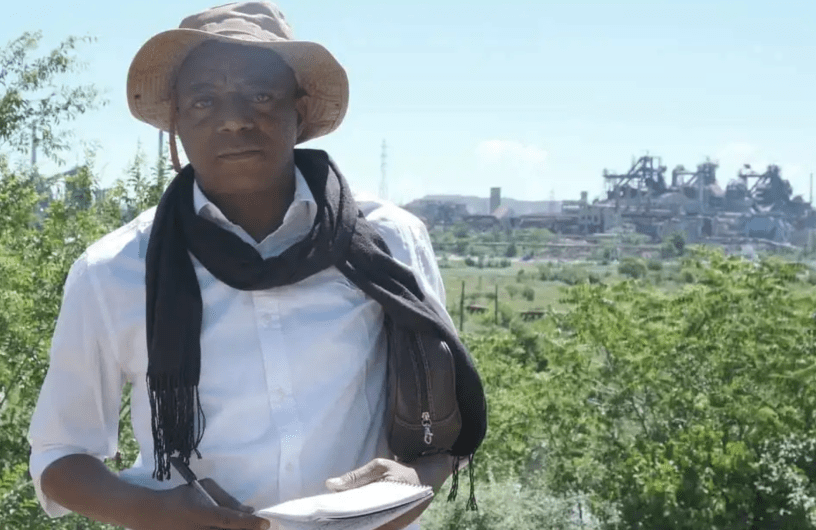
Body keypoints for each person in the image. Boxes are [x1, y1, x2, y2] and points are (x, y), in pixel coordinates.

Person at [27, 3, 484, 530]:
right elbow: (60, 456)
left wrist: (416, 477)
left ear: (300, 109)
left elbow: (445, 422)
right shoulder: (114, 270)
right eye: (203, 100)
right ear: (175, 123)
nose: (233, 118)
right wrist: (157, 510)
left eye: (261, 94)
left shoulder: (391, 242)